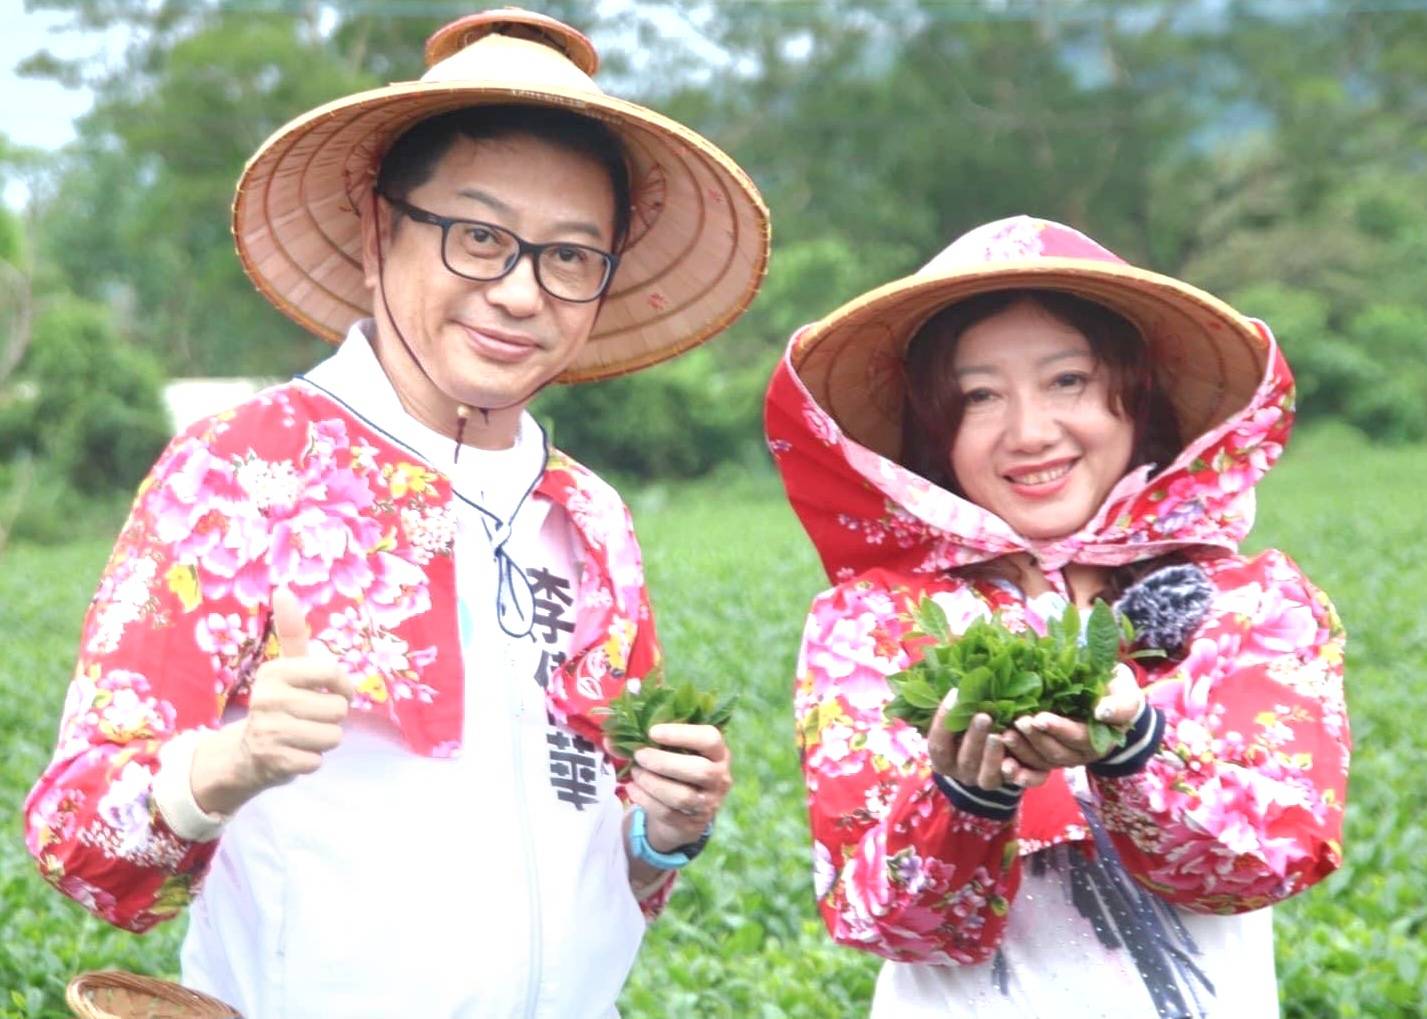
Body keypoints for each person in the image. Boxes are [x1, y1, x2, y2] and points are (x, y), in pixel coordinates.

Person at [24, 9, 768, 1018]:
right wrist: (229, 761)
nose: (517, 291)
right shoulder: (243, 471)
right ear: (380, 230)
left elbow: (600, 861)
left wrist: (662, 828)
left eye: (567, 256)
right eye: (476, 237)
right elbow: (78, 838)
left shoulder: (588, 517)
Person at [764, 216, 1348, 1018]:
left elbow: (1271, 858)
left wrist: (1135, 746)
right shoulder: (872, 624)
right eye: (978, 395)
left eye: (1066, 380)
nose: (1030, 431)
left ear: (1135, 395)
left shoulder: (1248, 604)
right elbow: (880, 917)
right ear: (937, 431)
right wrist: (963, 798)